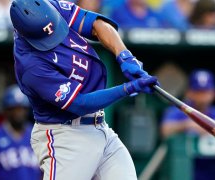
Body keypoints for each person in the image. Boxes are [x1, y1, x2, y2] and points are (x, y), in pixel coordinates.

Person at [10, 0, 159, 179]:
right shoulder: (30, 66)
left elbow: (97, 24)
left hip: (100, 128)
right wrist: (127, 88)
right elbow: (80, 103)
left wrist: (124, 56)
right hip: (65, 136)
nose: (54, 38)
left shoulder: (51, 8)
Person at [161, 69, 215, 180]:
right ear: (189, 92)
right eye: (198, 92)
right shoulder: (179, 110)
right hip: (180, 172)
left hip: (212, 173)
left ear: (213, 92)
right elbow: (165, 130)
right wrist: (186, 125)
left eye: (206, 92)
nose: (203, 96)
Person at [0, 85, 41, 180]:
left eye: (22, 108)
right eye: (14, 108)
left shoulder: (37, 134)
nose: (19, 112)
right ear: (6, 110)